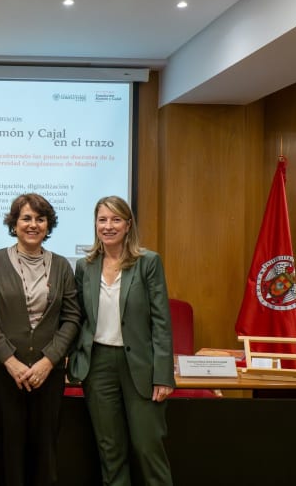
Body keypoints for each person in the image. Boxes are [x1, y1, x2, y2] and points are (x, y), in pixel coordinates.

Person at [0, 193, 82, 486]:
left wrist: (49, 361)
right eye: (26, 218)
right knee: (9, 453)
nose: (33, 224)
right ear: (14, 223)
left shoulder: (62, 266)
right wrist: (10, 361)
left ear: (49, 224)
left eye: (40, 218)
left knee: (45, 453)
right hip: (5, 372)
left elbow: (72, 318)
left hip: (49, 373)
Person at [67, 195, 175, 485]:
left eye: (116, 219)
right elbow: (78, 319)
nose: (108, 226)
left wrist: (163, 375)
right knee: (110, 451)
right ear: (95, 225)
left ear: (128, 225)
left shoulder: (147, 262)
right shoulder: (84, 266)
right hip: (98, 366)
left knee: (147, 447)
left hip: (140, 366)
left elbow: (161, 321)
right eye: (102, 219)